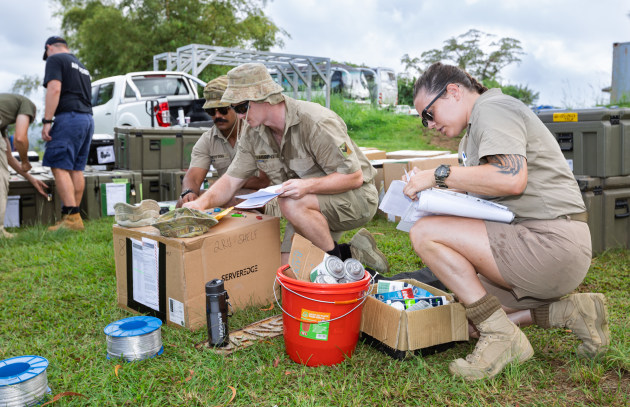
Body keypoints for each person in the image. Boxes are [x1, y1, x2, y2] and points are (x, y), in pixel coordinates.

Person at [405, 62, 609, 381]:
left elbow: (510, 178)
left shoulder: (493, 109)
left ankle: (502, 339)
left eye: (428, 114)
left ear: (453, 92)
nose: (428, 125)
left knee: (425, 232)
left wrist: (437, 175)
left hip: (549, 244)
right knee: (472, 318)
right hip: (547, 246)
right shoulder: (475, 131)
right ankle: (573, 311)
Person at [185, 63, 388, 271]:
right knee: (289, 272)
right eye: (235, 109)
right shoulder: (253, 133)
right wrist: (199, 206)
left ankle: (337, 267)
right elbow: (230, 181)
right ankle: (352, 252)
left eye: (241, 107)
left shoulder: (316, 121)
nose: (239, 116)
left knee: (290, 203)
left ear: (263, 97)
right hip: (307, 205)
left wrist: (306, 186)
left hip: (356, 197)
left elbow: (354, 177)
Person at [176, 75, 270, 208]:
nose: (218, 115)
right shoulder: (207, 139)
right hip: (227, 194)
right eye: (211, 111)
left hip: (266, 196)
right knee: (183, 203)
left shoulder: (258, 133)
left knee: (231, 199)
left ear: (236, 107)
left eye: (223, 109)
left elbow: (264, 180)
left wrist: (224, 185)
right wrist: (188, 192)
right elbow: (193, 177)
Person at [41, 36, 94, 231]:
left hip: (69, 118)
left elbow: (54, 89)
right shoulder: (81, 66)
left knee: (58, 164)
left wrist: (47, 121)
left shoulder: (55, 59)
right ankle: (73, 216)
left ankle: (71, 219)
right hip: (87, 119)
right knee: (75, 168)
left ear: (49, 48)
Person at [0, 93, 49, 238]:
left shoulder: (3, 120)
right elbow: (20, 138)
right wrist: (25, 161)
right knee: (1, 179)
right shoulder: (26, 104)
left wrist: (31, 178)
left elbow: (8, 156)